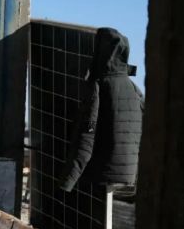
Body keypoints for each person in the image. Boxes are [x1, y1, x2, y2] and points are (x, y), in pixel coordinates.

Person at [59, 27, 145, 195]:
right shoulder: (135, 89)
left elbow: (87, 134)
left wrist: (67, 182)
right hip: (129, 176)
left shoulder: (99, 86)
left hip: (101, 175)